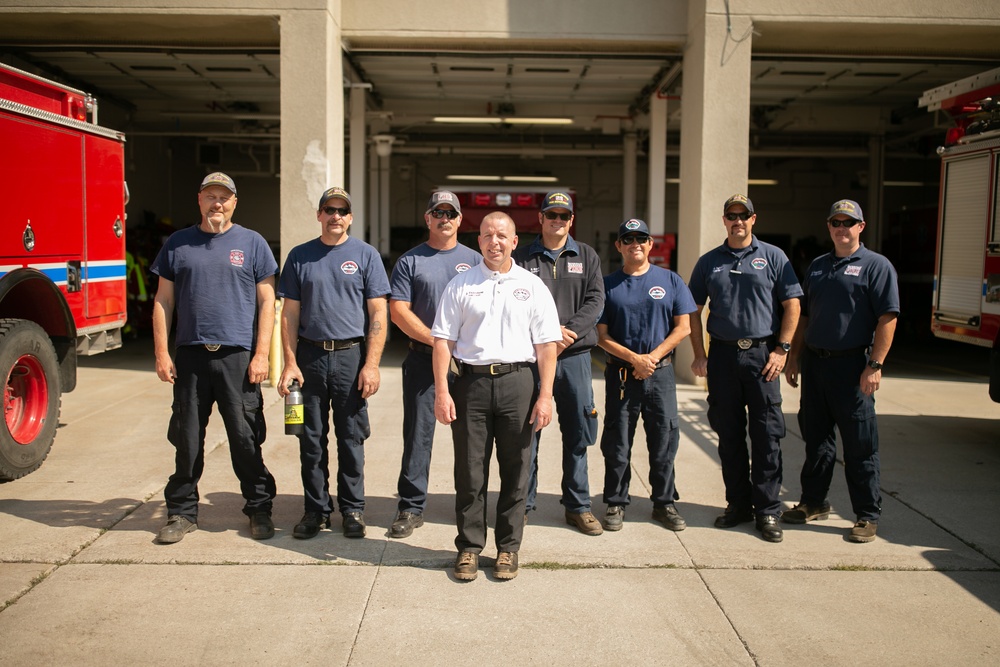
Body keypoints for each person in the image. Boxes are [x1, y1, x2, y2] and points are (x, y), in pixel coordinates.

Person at [432, 211, 561, 581]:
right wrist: (443, 390)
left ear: (514, 241)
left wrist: (545, 395)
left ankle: (508, 549)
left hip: (518, 384)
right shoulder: (461, 284)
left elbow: (547, 346)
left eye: (502, 235)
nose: (494, 241)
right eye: (488, 235)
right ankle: (469, 548)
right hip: (470, 385)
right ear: (479, 241)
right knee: (470, 471)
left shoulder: (532, 286)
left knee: (516, 469)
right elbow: (443, 341)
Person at [151, 172, 278, 544]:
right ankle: (182, 512)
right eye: (210, 196)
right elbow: (163, 300)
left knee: (245, 438)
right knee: (187, 439)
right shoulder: (178, 244)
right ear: (200, 200)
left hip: (237, 358)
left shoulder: (252, 243)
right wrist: (162, 352)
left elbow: (267, 300)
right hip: (190, 356)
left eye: (224, 197)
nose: (217, 203)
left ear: (234, 203)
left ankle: (259, 508)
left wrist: (261, 355)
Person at [688, 194, 802, 543]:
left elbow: (792, 304)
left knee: (767, 435)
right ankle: (737, 505)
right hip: (722, 357)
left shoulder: (773, 257)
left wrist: (782, 350)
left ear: (754, 219)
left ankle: (767, 510)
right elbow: (692, 309)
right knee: (729, 434)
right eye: (731, 215)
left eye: (744, 215)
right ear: (724, 220)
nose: (738, 221)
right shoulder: (709, 262)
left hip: (762, 357)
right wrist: (699, 353)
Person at [277, 187, 390, 540]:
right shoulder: (300, 256)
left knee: (351, 437)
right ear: (319, 214)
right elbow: (289, 314)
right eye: (329, 209)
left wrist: (370, 365)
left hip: (350, 357)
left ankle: (353, 509)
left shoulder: (366, 255)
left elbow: (378, 312)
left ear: (350, 217)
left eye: (342, 210)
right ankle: (316, 510)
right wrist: (290, 362)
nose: (335, 216)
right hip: (309, 357)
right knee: (309, 439)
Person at [784, 199, 899, 543]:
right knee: (817, 441)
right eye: (836, 222)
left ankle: (866, 514)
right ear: (829, 226)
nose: (841, 228)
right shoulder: (817, 266)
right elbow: (805, 316)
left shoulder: (877, 266)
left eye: (849, 222)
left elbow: (887, 318)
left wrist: (875, 365)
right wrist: (794, 358)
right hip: (816, 366)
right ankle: (813, 502)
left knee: (860, 444)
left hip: (852, 367)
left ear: (861, 227)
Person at [388, 191, 482, 539]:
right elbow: (398, 311)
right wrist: (438, 341)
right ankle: (411, 507)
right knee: (418, 435)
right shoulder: (410, 261)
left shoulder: (476, 261)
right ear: (427, 218)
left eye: (451, 213)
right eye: (437, 212)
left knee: (473, 438)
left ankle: (471, 506)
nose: (444, 218)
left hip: (468, 364)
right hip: (422, 360)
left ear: (460, 220)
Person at [512, 191, 605, 535]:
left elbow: (596, 300)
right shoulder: (521, 258)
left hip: (575, 356)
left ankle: (578, 506)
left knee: (578, 432)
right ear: (540, 218)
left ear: (571, 220)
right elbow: (512, 301)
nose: (557, 221)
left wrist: (567, 333)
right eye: (551, 215)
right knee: (527, 432)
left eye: (563, 216)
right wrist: (544, 336)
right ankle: (524, 504)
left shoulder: (587, 256)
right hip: (533, 359)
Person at [598, 219, 696, 532]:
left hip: (660, 375)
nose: (635, 244)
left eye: (641, 238)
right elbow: (601, 335)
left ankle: (664, 503)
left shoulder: (671, 280)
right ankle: (615, 501)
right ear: (619, 246)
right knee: (617, 441)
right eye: (628, 239)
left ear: (650, 244)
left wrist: (650, 359)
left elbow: (684, 327)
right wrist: (633, 359)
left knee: (664, 440)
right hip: (622, 376)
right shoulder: (607, 284)